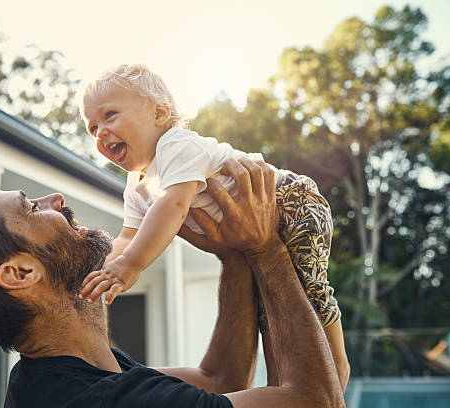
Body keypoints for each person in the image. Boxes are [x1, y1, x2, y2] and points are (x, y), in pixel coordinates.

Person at [0, 158, 344, 407]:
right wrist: (267, 251)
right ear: (21, 273)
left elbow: (221, 377)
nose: (55, 200)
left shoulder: (63, 378)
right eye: (29, 206)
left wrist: (234, 256)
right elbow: (318, 401)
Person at [80, 64, 349, 388]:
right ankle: (295, 385)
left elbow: (174, 206)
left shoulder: (174, 146)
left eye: (110, 116)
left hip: (290, 203)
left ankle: (334, 370)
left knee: (305, 295)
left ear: (159, 112)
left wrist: (130, 265)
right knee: (273, 313)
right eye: (93, 128)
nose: (101, 133)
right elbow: (128, 235)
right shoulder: (137, 183)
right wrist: (100, 270)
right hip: (259, 231)